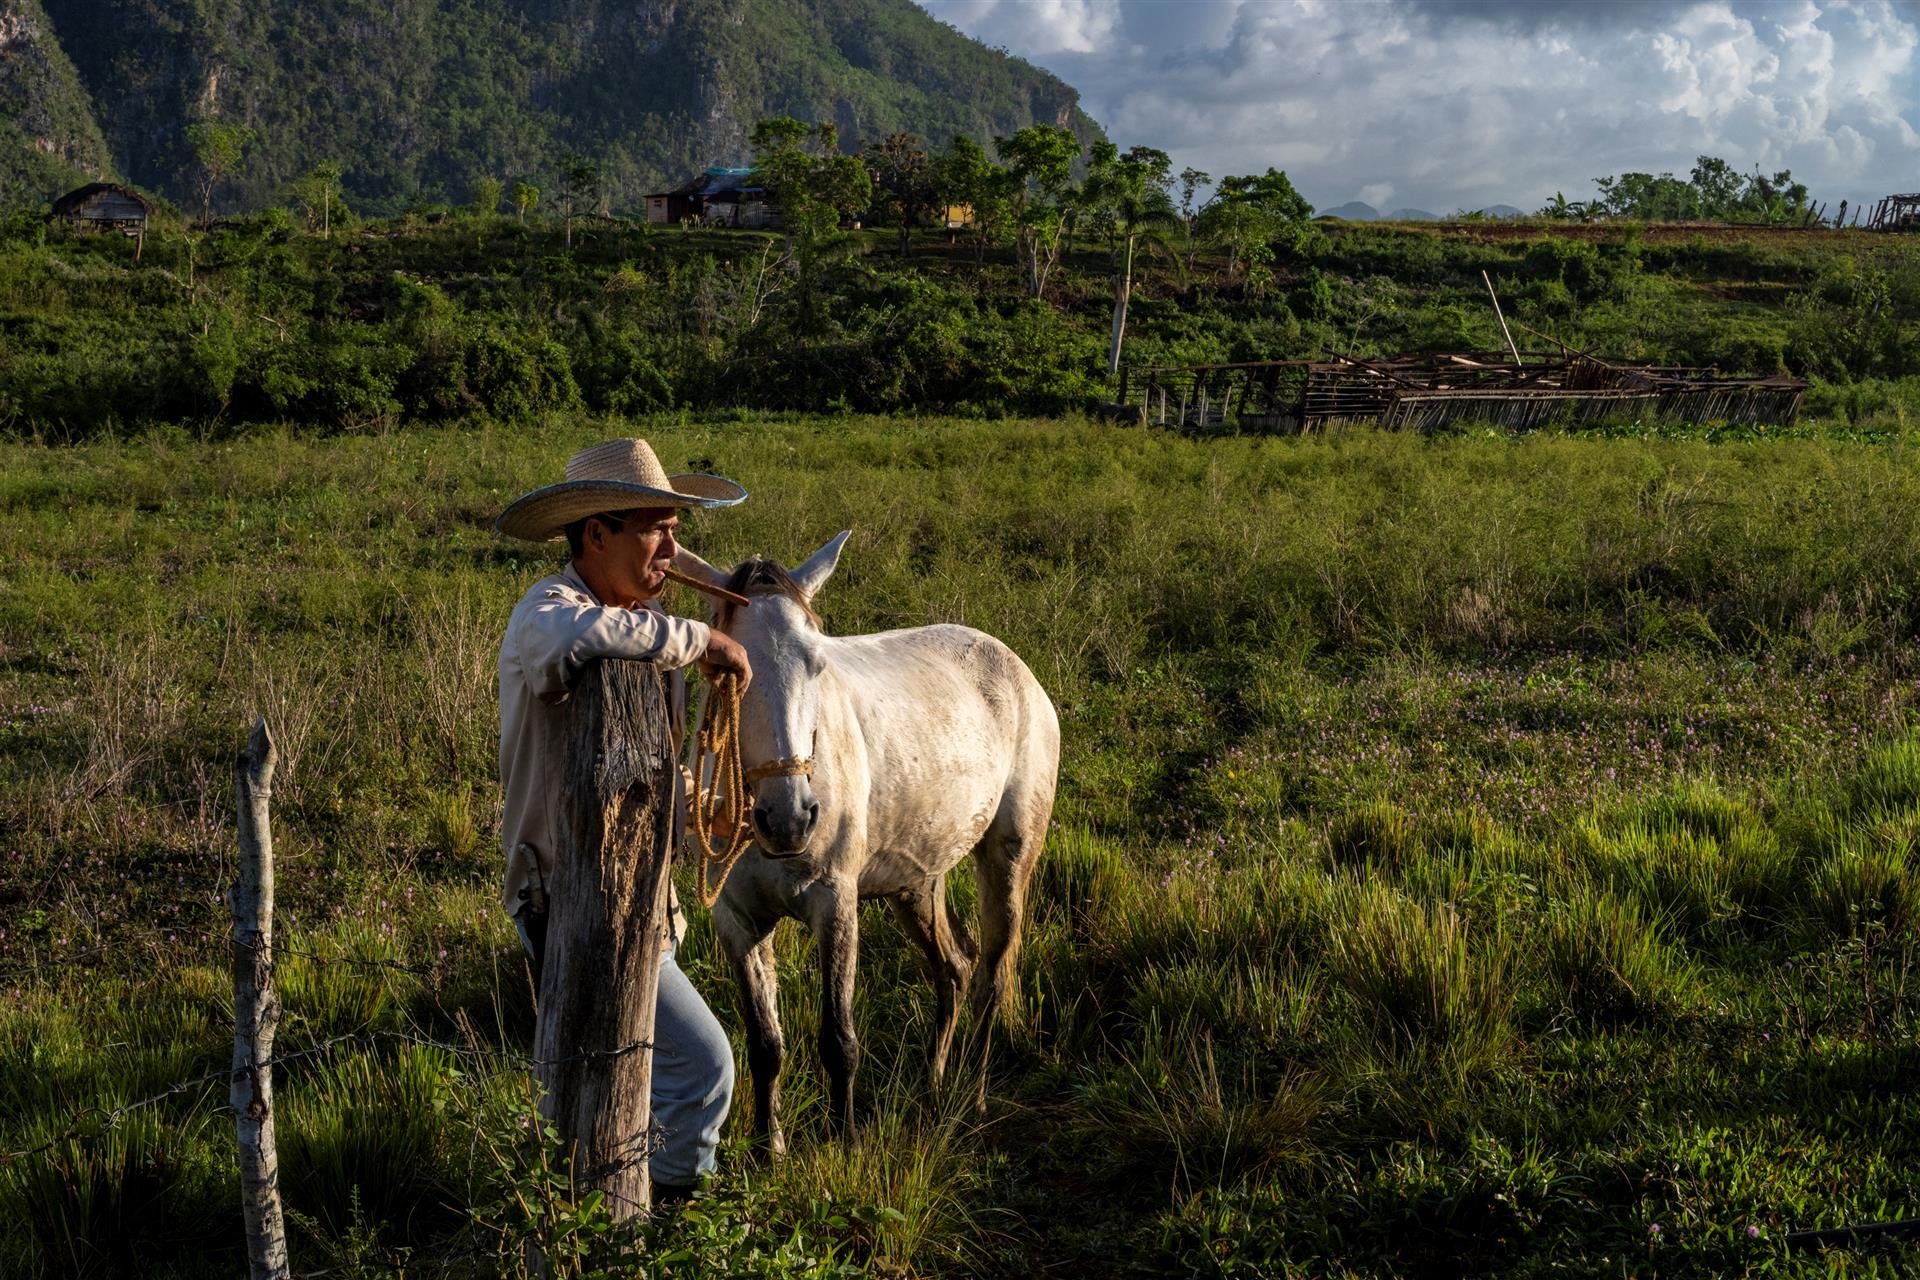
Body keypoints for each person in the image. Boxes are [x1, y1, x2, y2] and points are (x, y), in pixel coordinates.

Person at [493, 436, 752, 1202]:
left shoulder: (638, 627)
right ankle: (670, 1214)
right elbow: (580, 639)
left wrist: (706, 807)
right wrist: (702, 637)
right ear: (596, 535)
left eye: (676, 530)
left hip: (630, 896)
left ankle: (586, 1212)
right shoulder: (549, 610)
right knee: (702, 1066)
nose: (673, 548)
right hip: (572, 897)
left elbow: (643, 764)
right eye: (655, 529)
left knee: (596, 1073)